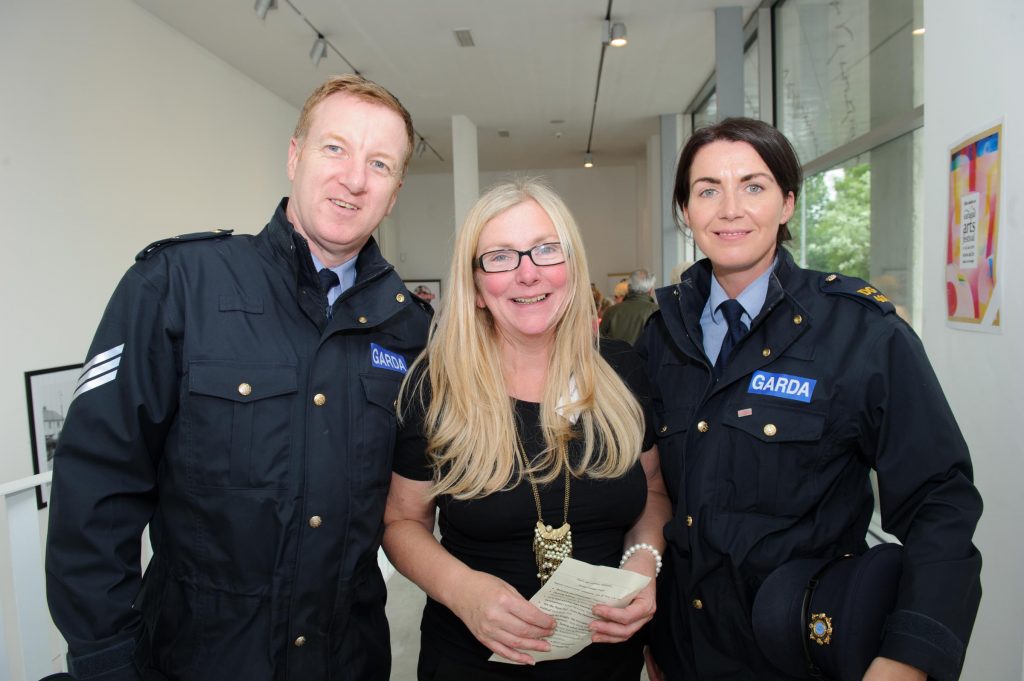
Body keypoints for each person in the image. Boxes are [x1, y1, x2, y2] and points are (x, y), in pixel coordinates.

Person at [45, 75, 431, 680]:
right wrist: (104, 661)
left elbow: (406, 507)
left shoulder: (410, 330)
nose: (355, 179)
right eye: (335, 148)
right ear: (294, 155)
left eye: (379, 163)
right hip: (196, 662)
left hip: (346, 662)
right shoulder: (177, 288)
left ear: (396, 189)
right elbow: (96, 490)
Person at [636, 118, 982, 681]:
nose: (730, 209)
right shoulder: (662, 335)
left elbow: (940, 502)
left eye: (753, 185)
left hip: (798, 649)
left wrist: (909, 657)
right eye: (707, 190)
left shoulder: (861, 333)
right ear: (686, 210)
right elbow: (655, 491)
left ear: (788, 202)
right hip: (684, 652)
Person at [382, 178, 672, 680]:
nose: (527, 273)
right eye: (499, 256)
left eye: (545, 250)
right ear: (474, 288)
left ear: (573, 268)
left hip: (607, 663)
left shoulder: (623, 373)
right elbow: (401, 522)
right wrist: (463, 591)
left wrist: (645, 560)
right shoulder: (435, 387)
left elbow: (652, 490)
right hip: (472, 660)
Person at [599, 268, 659, 344]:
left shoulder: (611, 312)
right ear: (650, 290)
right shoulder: (657, 312)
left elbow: (600, 343)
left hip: (614, 355)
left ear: (628, 288)